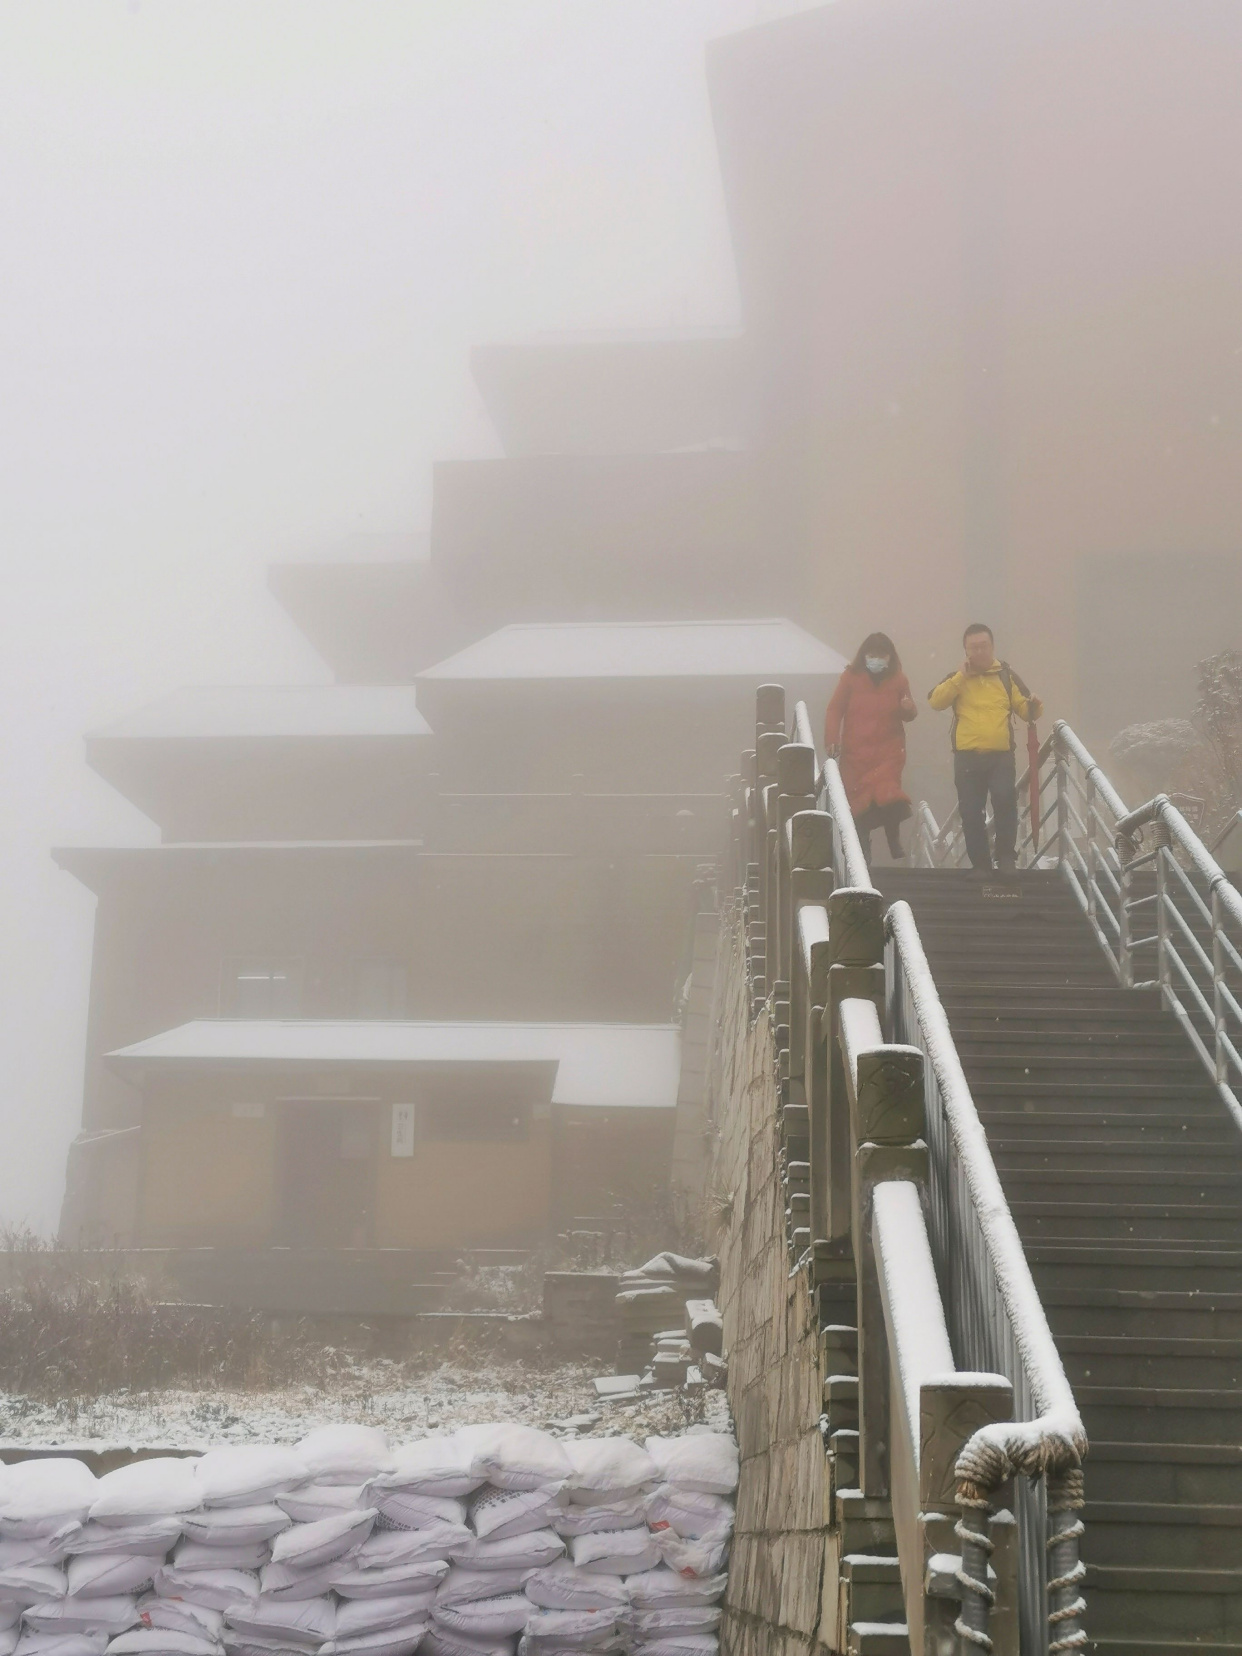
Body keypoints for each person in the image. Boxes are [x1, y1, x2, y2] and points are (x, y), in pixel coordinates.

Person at [927, 622, 1044, 871]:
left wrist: (1034, 705)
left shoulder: (1006, 675)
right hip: (967, 757)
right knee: (970, 812)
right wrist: (960, 677)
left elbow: (1025, 709)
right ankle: (981, 865)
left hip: (1000, 756)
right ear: (966, 650)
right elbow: (935, 701)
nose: (980, 652)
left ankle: (1005, 858)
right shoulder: (956, 679)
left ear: (992, 647)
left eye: (984, 646)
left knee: (1004, 800)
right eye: (974, 647)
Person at [823, 632, 918, 863]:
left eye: (881, 655)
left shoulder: (899, 680)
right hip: (856, 752)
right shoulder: (850, 678)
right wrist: (831, 738)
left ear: (890, 657)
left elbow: (910, 713)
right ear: (864, 655)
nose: (876, 660)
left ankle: (893, 838)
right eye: (872, 655)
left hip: (889, 750)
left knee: (889, 794)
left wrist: (908, 707)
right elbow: (835, 709)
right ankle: (862, 853)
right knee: (858, 803)